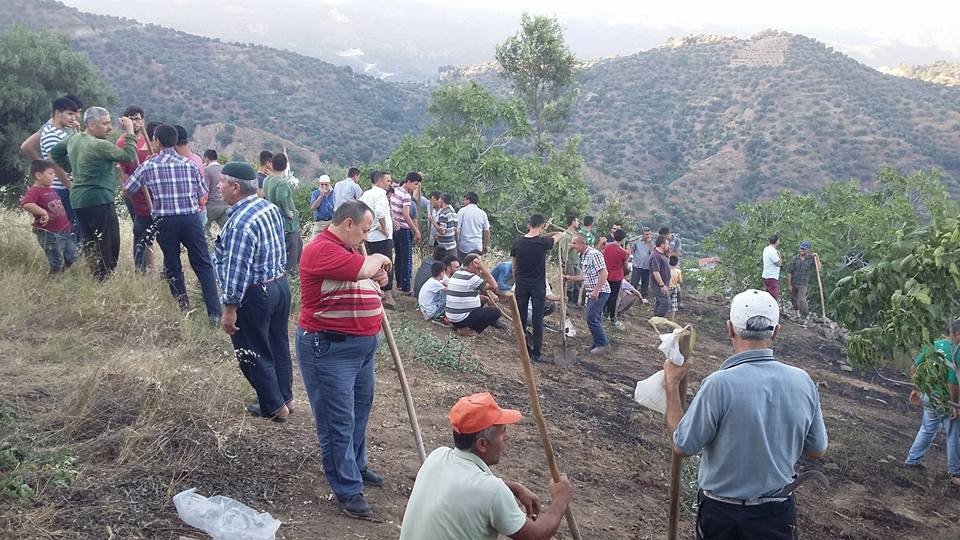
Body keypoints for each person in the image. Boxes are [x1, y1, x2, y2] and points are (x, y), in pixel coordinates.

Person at [664, 289, 829, 539]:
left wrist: (672, 386)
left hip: (723, 516)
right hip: (777, 514)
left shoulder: (719, 385)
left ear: (729, 329)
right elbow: (817, 449)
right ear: (776, 332)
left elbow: (683, 445)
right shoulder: (803, 382)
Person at [297, 200, 393, 519]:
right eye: (364, 231)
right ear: (348, 224)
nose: (366, 238)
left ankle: (357, 464)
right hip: (329, 349)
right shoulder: (321, 249)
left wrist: (378, 280)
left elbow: (365, 278)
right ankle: (347, 489)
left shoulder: (353, 249)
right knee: (337, 421)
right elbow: (364, 268)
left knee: (359, 413)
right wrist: (378, 260)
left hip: (362, 348)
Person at [400, 392, 573, 540]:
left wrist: (514, 488)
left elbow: (465, 488)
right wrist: (560, 500)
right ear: (482, 444)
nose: (507, 438)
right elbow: (536, 536)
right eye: (502, 432)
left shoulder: (437, 456)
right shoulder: (492, 491)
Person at [213, 162, 292, 422]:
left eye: (222, 181)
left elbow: (237, 270)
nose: (218, 185)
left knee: (252, 350)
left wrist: (229, 309)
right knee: (277, 344)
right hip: (279, 285)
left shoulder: (239, 224)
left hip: (256, 293)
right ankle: (286, 397)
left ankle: (274, 406)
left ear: (236, 187)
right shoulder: (268, 208)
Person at [124, 125, 222, 322]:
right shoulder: (190, 164)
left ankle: (183, 307)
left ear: (157, 142)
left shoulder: (150, 165)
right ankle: (215, 313)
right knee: (203, 263)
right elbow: (202, 192)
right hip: (191, 218)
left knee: (173, 263)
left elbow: (129, 187)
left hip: (165, 221)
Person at [50, 107, 137, 281]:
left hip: (79, 200)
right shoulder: (99, 145)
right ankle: (104, 279)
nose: (110, 127)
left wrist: (73, 168)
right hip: (99, 199)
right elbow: (128, 156)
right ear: (91, 124)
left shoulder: (74, 139)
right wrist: (130, 130)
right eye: (105, 123)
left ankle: (95, 276)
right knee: (109, 242)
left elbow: (55, 153)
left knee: (91, 240)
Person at [904, 320, 960, 486]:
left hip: (928, 396)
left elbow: (915, 367)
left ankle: (912, 460)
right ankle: (955, 472)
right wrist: (955, 405)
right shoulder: (956, 351)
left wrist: (917, 388)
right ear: (956, 333)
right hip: (945, 399)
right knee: (953, 434)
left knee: (927, 428)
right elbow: (954, 383)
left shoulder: (933, 345)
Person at [20, 95, 81, 245]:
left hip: (65, 186)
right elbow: (56, 166)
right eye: (70, 113)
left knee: (73, 227)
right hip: (62, 188)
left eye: (76, 113)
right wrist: (70, 186)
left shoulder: (65, 130)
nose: (75, 117)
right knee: (69, 228)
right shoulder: (52, 134)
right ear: (58, 113)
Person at [511, 214, 562, 363]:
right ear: (542, 225)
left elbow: (514, 267)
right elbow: (560, 234)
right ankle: (536, 354)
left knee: (520, 318)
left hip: (521, 283)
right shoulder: (543, 242)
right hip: (537, 285)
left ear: (528, 224)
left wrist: (518, 280)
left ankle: (522, 348)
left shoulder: (517, 242)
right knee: (537, 319)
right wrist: (545, 232)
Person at [20, 160, 77, 273]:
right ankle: (52, 282)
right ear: (39, 175)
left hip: (64, 231)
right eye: (51, 173)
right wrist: (43, 212)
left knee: (71, 257)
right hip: (49, 233)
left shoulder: (50, 190)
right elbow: (26, 203)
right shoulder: (35, 191)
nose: (54, 176)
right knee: (57, 262)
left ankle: (61, 275)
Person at [564, 234, 610, 354]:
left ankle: (602, 344)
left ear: (583, 244)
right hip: (593, 291)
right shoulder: (584, 256)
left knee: (591, 318)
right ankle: (597, 343)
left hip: (600, 291)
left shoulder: (594, 254)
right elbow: (586, 276)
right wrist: (571, 278)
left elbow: (604, 273)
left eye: (575, 243)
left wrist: (596, 290)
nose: (572, 246)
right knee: (594, 318)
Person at [262, 153, 302, 276]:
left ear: (272, 165)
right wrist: (288, 212)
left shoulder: (267, 180)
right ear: (285, 167)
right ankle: (291, 279)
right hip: (287, 225)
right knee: (293, 254)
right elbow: (281, 198)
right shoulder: (282, 182)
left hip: (273, 222)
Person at [446, 253, 501, 337]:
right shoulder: (471, 278)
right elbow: (494, 286)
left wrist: (484, 298)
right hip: (461, 318)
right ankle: (470, 330)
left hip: (452, 316)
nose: (479, 268)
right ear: (472, 264)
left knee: (483, 300)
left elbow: (463, 295)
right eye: (479, 265)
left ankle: (459, 327)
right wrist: (483, 269)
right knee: (496, 312)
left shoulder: (457, 274)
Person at [116, 106, 150, 221]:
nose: (134, 122)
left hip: (151, 192)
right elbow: (123, 172)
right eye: (130, 120)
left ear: (143, 121)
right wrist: (127, 193)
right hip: (134, 193)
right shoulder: (122, 142)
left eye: (137, 119)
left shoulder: (148, 139)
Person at [391, 172, 422, 295]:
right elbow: (406, 214)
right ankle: (406, 287)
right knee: (407, 259)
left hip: (395, 228)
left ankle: (399, 283)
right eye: (415, 184)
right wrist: (416, 230)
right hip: (404, 229)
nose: (415, 187)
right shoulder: (406, 196)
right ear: (408, 182)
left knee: (399, 257)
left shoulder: (394, 191)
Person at [603, 229, 629, 327]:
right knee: (614, 298)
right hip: (616, 277)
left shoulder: (607, 247)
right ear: (622, 239)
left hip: (606, 275)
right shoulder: (622, 252)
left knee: (606, 295)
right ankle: (613, 318)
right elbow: (625, 265)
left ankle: (605, 313)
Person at [786, 241, 817, 323]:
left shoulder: (810, 259)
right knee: (794, 299)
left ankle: (805, 315)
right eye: (801, 248)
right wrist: (789, 285)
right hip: (794, 282)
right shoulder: (794, 258)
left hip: (803, 283)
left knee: (802, 300)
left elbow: (819, 269)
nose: (802, 250)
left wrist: (816, 257)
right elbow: (789, 272)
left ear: (808, 250)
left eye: (804, 249)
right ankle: (797, 315)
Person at [456, 192, 490, 261]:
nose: (464, 202)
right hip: (477, 246)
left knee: (463, 268)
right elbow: (487, 231)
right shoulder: (482, 213)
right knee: (476, 268)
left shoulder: (462, 211)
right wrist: (485, 245)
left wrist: (456, 242)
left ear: (468, 200)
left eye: (465, 200)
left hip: (464, 246)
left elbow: (457, 229)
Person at [202, 149, 229, 235]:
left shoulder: (207, 170)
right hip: (225, 204)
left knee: (203, 225)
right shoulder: (225, 169)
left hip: (212, 205)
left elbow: (205, 189)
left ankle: (209, 245)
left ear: (206, 158)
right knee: (226, 229)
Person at [558, 215, 581, 304]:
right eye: (577, 221)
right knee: (569, 283)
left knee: (578, 281)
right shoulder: (565, 236)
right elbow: (565, 251)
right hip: (569, 262)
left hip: (576, 261)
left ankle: (575, 302)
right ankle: (568, 302)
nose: (578, 223)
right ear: (573, 222)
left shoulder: (576, 235)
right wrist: (572, 246)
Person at [649, 235, 672, 318]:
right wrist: (662, 285)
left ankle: (655, 318)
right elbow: (656, 272)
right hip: (658, 285)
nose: (668, 246)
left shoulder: (662, 255)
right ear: (662, 245)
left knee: (660, 302)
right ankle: (658, 319)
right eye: (667, 244)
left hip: (663, 284)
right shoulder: (656, 256)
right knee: (666, 303)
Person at [430, 192, 458, 257]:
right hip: (452, 245)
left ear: (442, 200)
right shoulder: (453, 212)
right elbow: (454, 229)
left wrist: (432, 221)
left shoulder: (443, 213)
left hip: (444, 248)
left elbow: (442, 231)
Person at [629, 227, 654, 300]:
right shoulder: (637, 241)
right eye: (646, 234)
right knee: (634, 282)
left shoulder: (651, 242)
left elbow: (653, 252)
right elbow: (632, 249)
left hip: (647, 266)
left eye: (649, 234)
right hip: (637, 265)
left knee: (645, 283)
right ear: (642, 234)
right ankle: (631, 298)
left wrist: (650, 242)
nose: (648, 236)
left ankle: (643, 298)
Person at [762, 235, 783, 300]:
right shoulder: (773, 251)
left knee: (767, 295)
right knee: (773, 296)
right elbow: (778, 263)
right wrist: (779, 255)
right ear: (776, 241)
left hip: (766, 275)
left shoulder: (766, 249)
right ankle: (772, 309)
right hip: (771, 276)